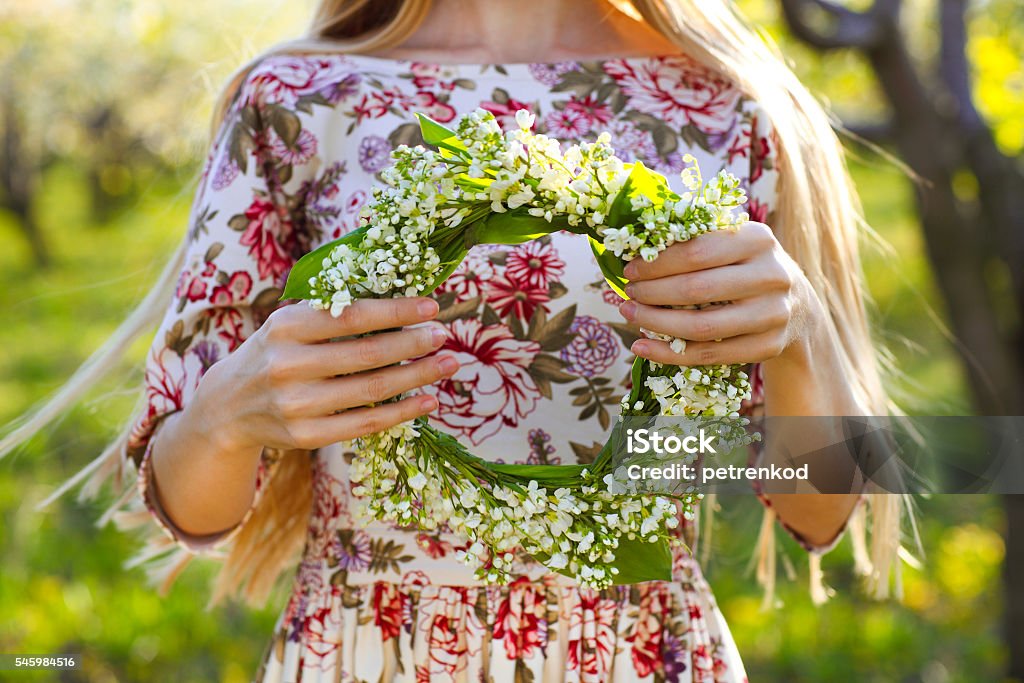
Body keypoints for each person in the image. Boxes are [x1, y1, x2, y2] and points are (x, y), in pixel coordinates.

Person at [0, 0, 915, 680]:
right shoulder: (299, 100)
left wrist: (799, 332)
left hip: (638, 648)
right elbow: (187, 503)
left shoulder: (722, 104)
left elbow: (817, 506)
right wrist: (232, 412)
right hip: (364, 646)